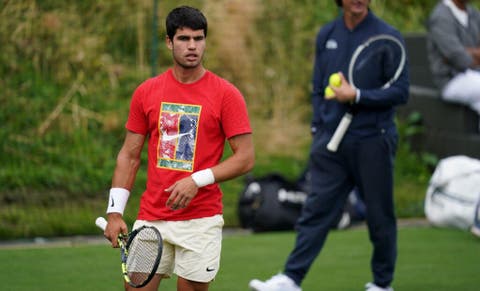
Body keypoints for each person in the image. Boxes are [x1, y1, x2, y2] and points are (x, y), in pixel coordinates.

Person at [249, 1, 408, 291]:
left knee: (379, 214)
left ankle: (382, 284)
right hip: (331, 144)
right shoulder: (327, 34)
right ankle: (291, 279)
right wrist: (318, 127)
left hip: (374, 140)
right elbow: (317, 87)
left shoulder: (388, 36)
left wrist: (357, 95)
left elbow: (401, 91)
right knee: (315, 210)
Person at [102, 6, 255, 291]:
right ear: (169, 42)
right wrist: (115, 213)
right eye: (184, 39)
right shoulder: (146, 91)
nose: (193, 46)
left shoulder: (226, 94)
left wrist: (197, 180)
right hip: (151, 218)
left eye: (199, 38)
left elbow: (245, 158)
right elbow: (129, 155)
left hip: (201, 221)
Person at [427, 0, 480, 123]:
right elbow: (457, 57)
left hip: (475, 75)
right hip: (451, 80)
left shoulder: (473, 13)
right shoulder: (441, 16)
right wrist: (471, 53)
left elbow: (455, 54)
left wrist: (466, 51)